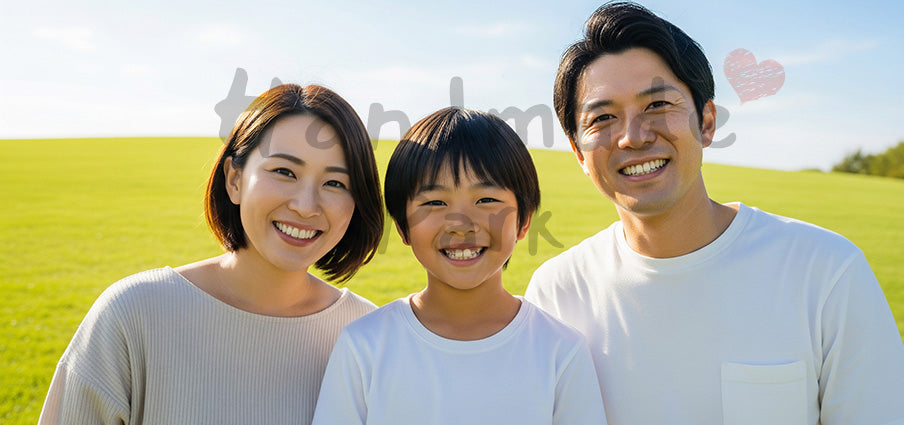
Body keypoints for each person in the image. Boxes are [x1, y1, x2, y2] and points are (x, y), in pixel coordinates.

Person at [524, 0, 904, 425]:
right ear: (577, 151)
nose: (633, 136)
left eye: (658, 105)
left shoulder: (825, 272)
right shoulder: (556, 294)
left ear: (706, 123)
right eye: (603, 117)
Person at [39, 84, 385, 425]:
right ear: (234, 179)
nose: (306, 206)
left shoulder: (371, 335)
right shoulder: (134, 315)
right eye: (284, 172)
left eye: (335, 183)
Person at [311, 107, 608, 425]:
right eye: (435, 203)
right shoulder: (364, 346)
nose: (461, 225)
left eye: (486, 200)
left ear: (523, 221)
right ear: (402, 228)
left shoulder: (560, 351)